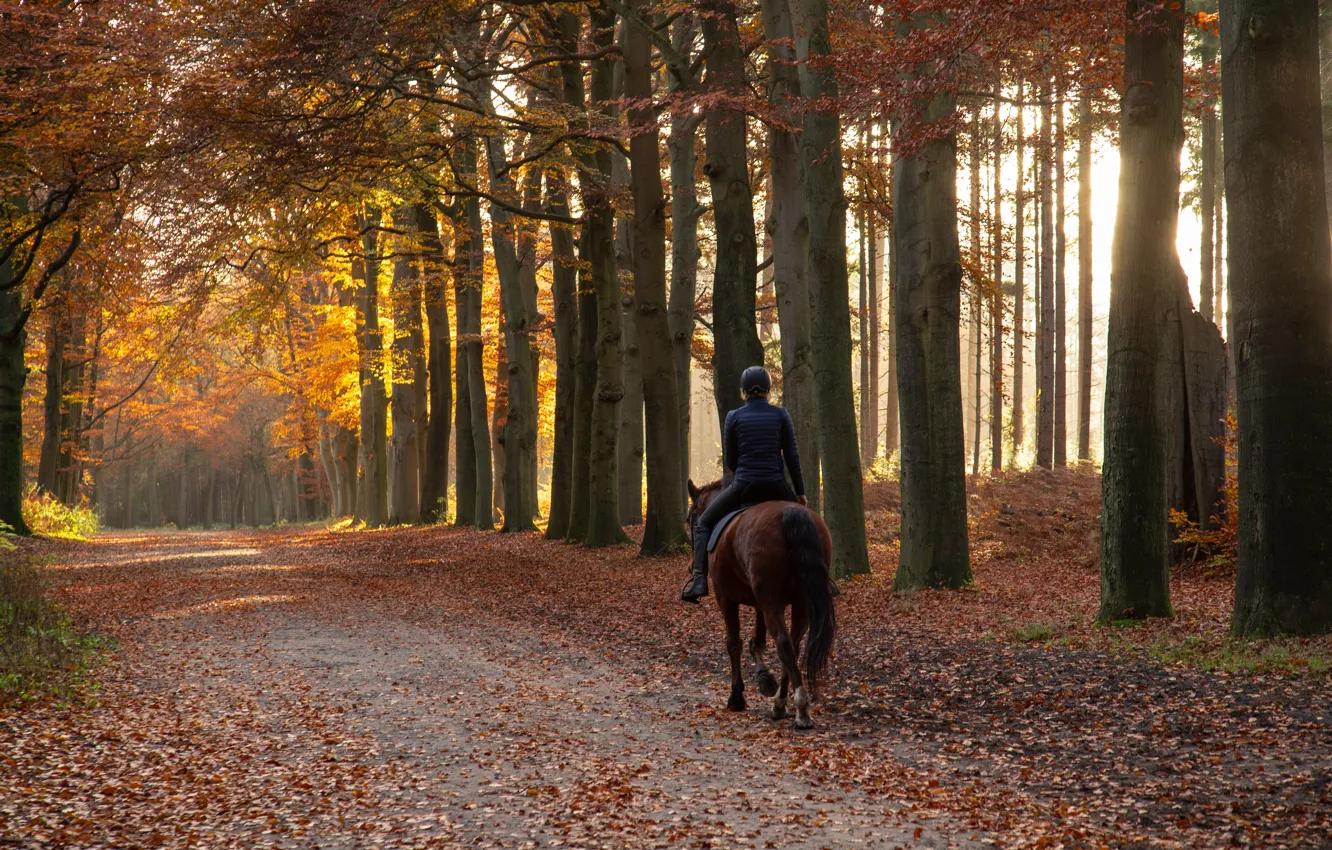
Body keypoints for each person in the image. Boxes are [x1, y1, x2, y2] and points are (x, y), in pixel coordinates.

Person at [681, 365, 807, 603]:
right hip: (777, 486)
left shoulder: (733, 417)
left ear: (743, 391)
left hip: (744, 485)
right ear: (768, 390)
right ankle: (822, 575)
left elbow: (731, 459)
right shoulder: (781, 414)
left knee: (704, 523)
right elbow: (792, 457)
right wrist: (799, 493)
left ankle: (698, 580)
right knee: (807, 521)